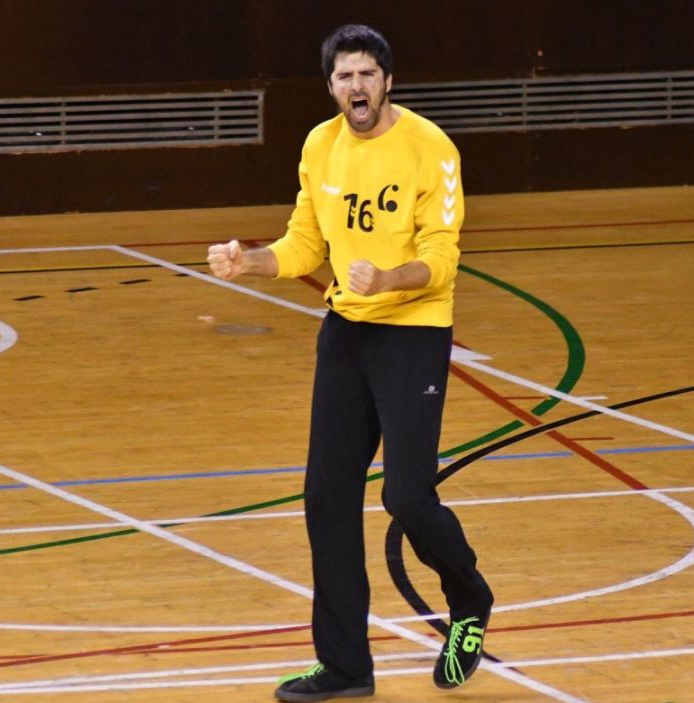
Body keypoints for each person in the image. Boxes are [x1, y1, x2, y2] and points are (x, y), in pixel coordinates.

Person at [207, 23, 493, 703]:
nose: (356, 86)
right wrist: (251, 262)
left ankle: (469, 598)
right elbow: (305, 243)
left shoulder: (429, 148)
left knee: (406, 496)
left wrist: (388, 278)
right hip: (346, 334)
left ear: (388, 81)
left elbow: (443, 257)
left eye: (367, 74)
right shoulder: (320, 146)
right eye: (344, 76)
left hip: (413, 332)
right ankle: (344, 666)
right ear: (331, 86)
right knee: (326, 496)